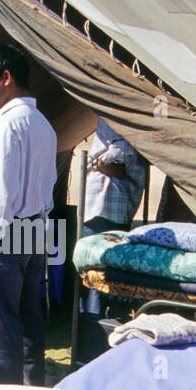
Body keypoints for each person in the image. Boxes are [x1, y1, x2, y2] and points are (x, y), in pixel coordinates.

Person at [0, 43, 57, 386]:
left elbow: (0, 193)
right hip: (32, 227)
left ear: (6, 78)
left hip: (4, 232)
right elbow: (47, 186)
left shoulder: (9, 125)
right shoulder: (42, 124)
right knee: (27, 321)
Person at [80, 117, 145, 315]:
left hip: (108, 206)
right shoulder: (106, 117)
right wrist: (98, 164)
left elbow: (123, 148)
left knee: (99, 270)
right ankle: (88, 322)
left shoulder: (117, 116)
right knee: (91, 269)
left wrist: (95, 163)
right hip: (101, 207)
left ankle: (93, 321)